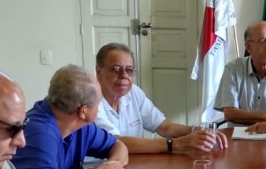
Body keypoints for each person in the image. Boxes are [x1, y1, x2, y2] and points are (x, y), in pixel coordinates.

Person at [11, 64, 129, 169]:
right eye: (98, 103)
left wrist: (111, 167)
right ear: (83, 111)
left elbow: (119, 146)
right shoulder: (39, 131)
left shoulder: (82, 126)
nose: (99, 107)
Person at [94, 43, 227, 154]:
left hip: (131, 166)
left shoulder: (134, 92)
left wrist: (196, 131)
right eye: (116, 69)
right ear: (99, 72)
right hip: (99, 168)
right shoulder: (90, 100)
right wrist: (176, 144)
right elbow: (116, 143)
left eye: (129, 70)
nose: (124, 75)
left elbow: (164, 126)